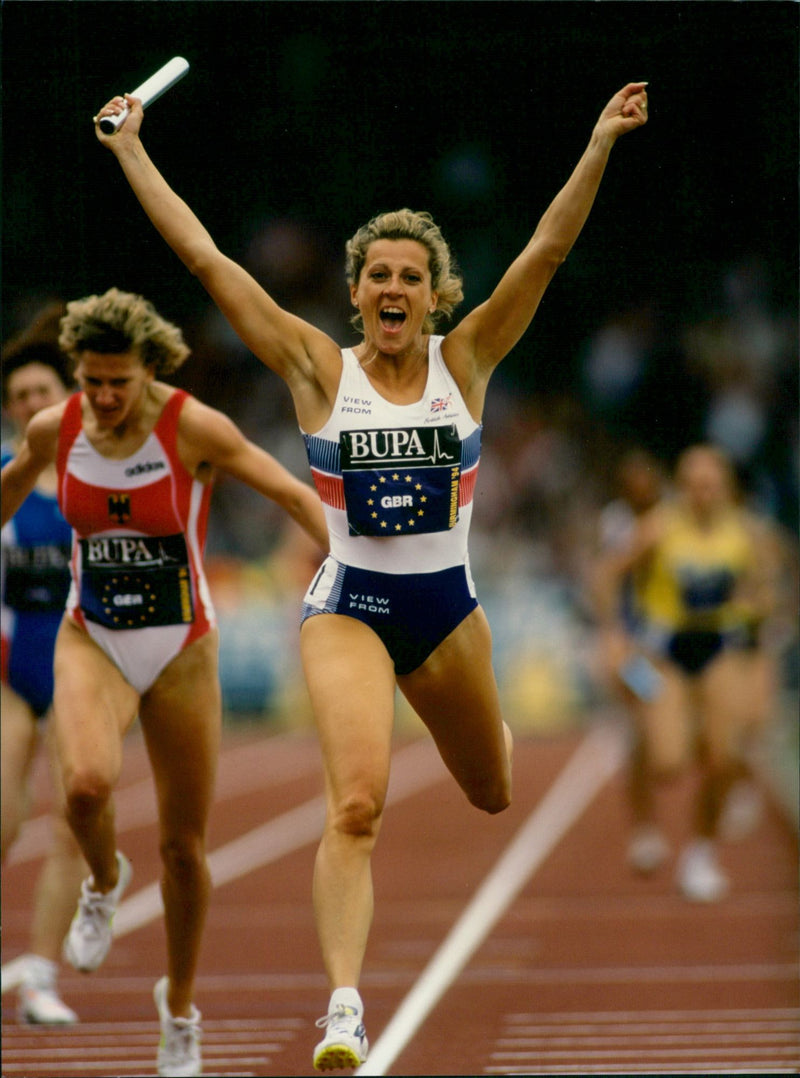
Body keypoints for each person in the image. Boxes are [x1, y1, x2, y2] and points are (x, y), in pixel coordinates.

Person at [93, 79, 649, 1070]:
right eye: (376, 274)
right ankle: (343, 1006)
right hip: (347, 606)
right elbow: (205, 259)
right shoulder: (316, 369)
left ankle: (492, 739)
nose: (392, 289)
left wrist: (599, 141)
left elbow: (545, 253)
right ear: (353, 291)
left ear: (433, 293)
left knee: (491, 787)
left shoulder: (466, 359)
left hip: (446, 614)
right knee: (355, 801)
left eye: (409, 276)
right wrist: (132, 149)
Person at [0, 287, 328, 1077]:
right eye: (91, 381)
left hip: (183, 647)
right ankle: (105, 882)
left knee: (185, 850)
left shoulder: (193, 427)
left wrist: (354, 565)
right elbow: (12, 486)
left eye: (119, 382)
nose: (104, 398)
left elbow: (286, 490)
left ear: (150, 370)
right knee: (82, 787)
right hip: (94, 640)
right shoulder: (58, 427)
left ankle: (179, 1007)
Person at [597, 443, 780, 902]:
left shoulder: (747, 531)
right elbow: (607, 575)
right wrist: (614, 634)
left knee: (724, 758)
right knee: (668, 762)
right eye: (693, 485)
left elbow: (768, 585)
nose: (701, 493)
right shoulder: (658, 527)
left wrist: (759, 609)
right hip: (663, 653)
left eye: (710, 485)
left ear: (725, 488)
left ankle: (701, 855)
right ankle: (650, 766)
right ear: (680, 488)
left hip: (720, 648)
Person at [2, 304, 87, 1025]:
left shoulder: (95, 473)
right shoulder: (4, 476)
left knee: (74, 822)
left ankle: (39, 977)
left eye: (42, 392)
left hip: (78, 669)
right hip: (9, 670)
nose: (32, 404)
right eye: (20, 397)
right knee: (2, 823)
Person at [588, 447, 672, 873]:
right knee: (643, 733)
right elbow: (604, 576)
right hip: (639, 646)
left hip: (679, 643)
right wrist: (612, 633)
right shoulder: (617, 522)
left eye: (646, 477)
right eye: (631, 480)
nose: (639, 486)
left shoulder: (678, 517)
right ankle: (645, 828)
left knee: (676, 741)